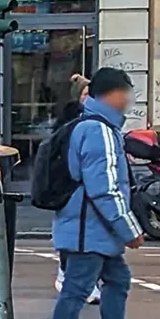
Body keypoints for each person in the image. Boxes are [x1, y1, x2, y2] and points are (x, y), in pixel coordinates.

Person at [45, 67, 153, 319]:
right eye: (127, 92)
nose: (130, 99)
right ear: (114, 94)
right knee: (76, 292)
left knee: (117, 280)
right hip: (87, 231)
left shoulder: (96, 126)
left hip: (89, 228)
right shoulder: (99, 131)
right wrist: (128, 228)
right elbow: (104, 188)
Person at [52, 74, 100, 304]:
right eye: (85, 94)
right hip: (72, 187)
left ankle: (86, 281)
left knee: (89, 235)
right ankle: (68, 276)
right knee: (74, 234)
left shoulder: (95, 119)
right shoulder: (71, 122)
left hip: (85, 185)